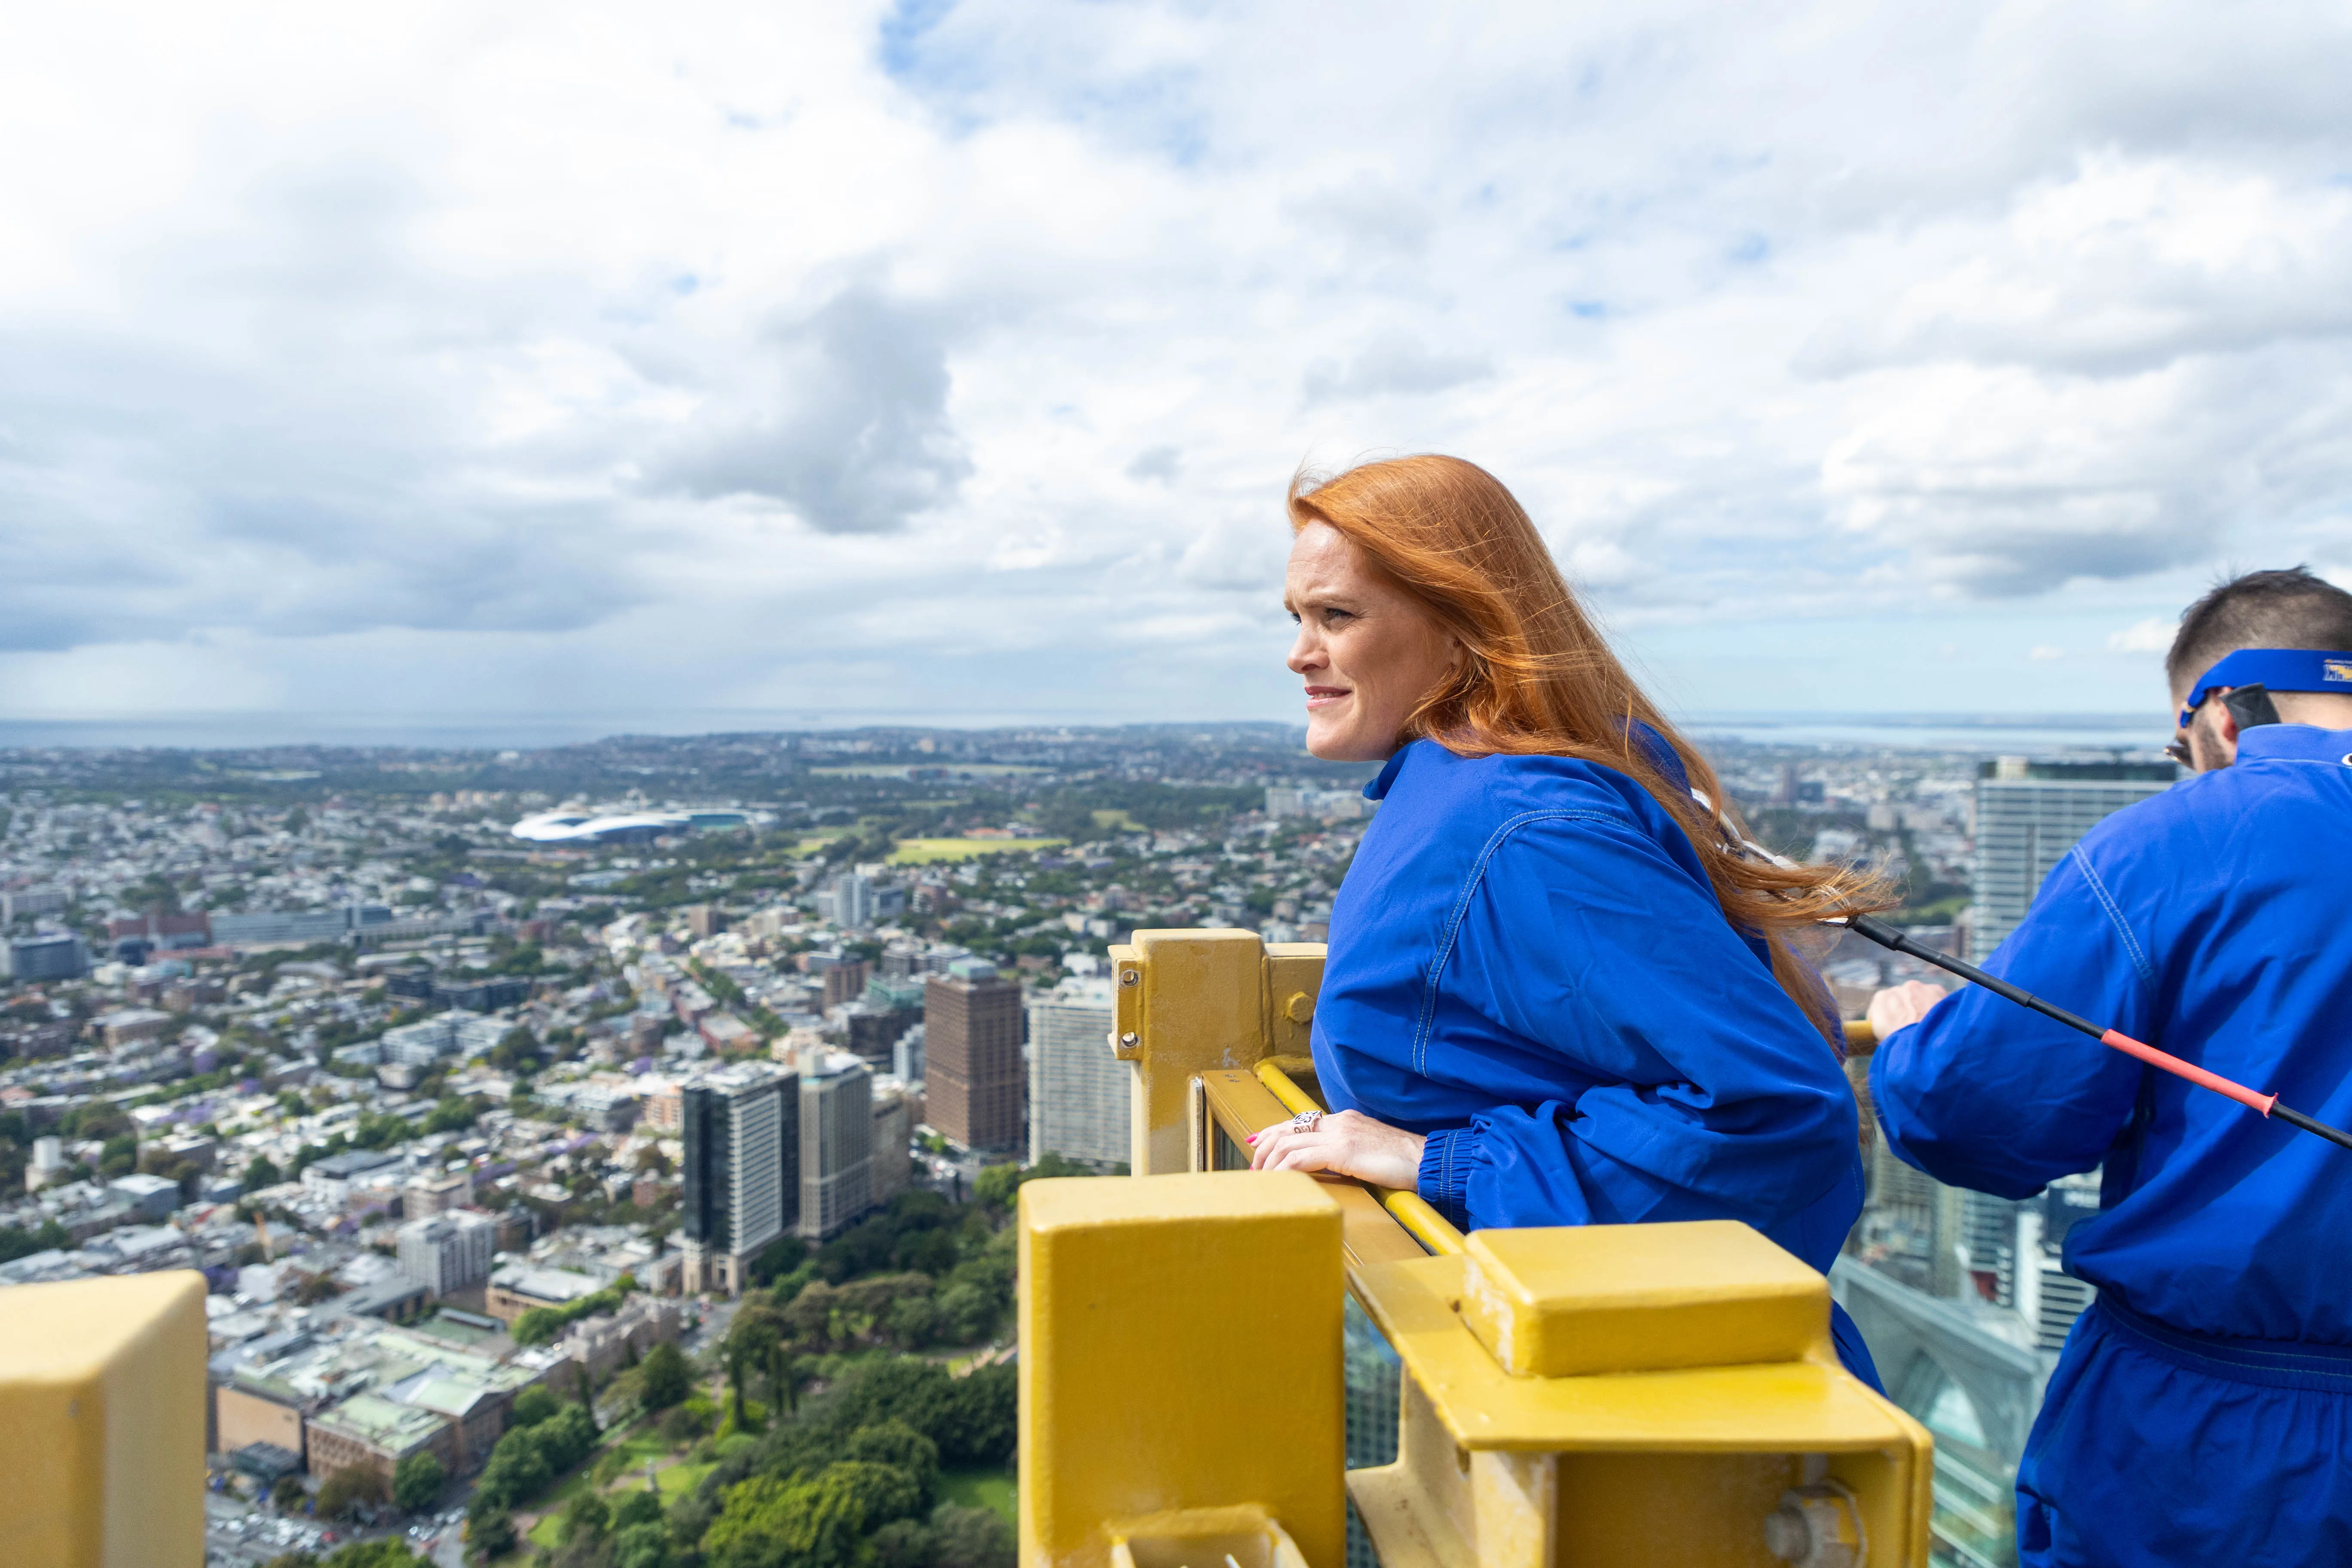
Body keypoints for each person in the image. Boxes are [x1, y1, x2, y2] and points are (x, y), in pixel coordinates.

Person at [1242, 455, 1890, 1387]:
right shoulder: (1476, 787)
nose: (1300, 653)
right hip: (1581, 1361)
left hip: (1660, 1399)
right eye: (1298, 618)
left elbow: (1774, 1120)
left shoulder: (1522, 833)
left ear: (1465, 628)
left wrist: (1439, 1164)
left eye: (1336, 617)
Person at [1867, 567, 2352, 1568]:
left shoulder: (2178, 843)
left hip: (2219, 1443)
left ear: (2220, 713)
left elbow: (1980, 1118)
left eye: (2182, 750)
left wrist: (1914, 1036)